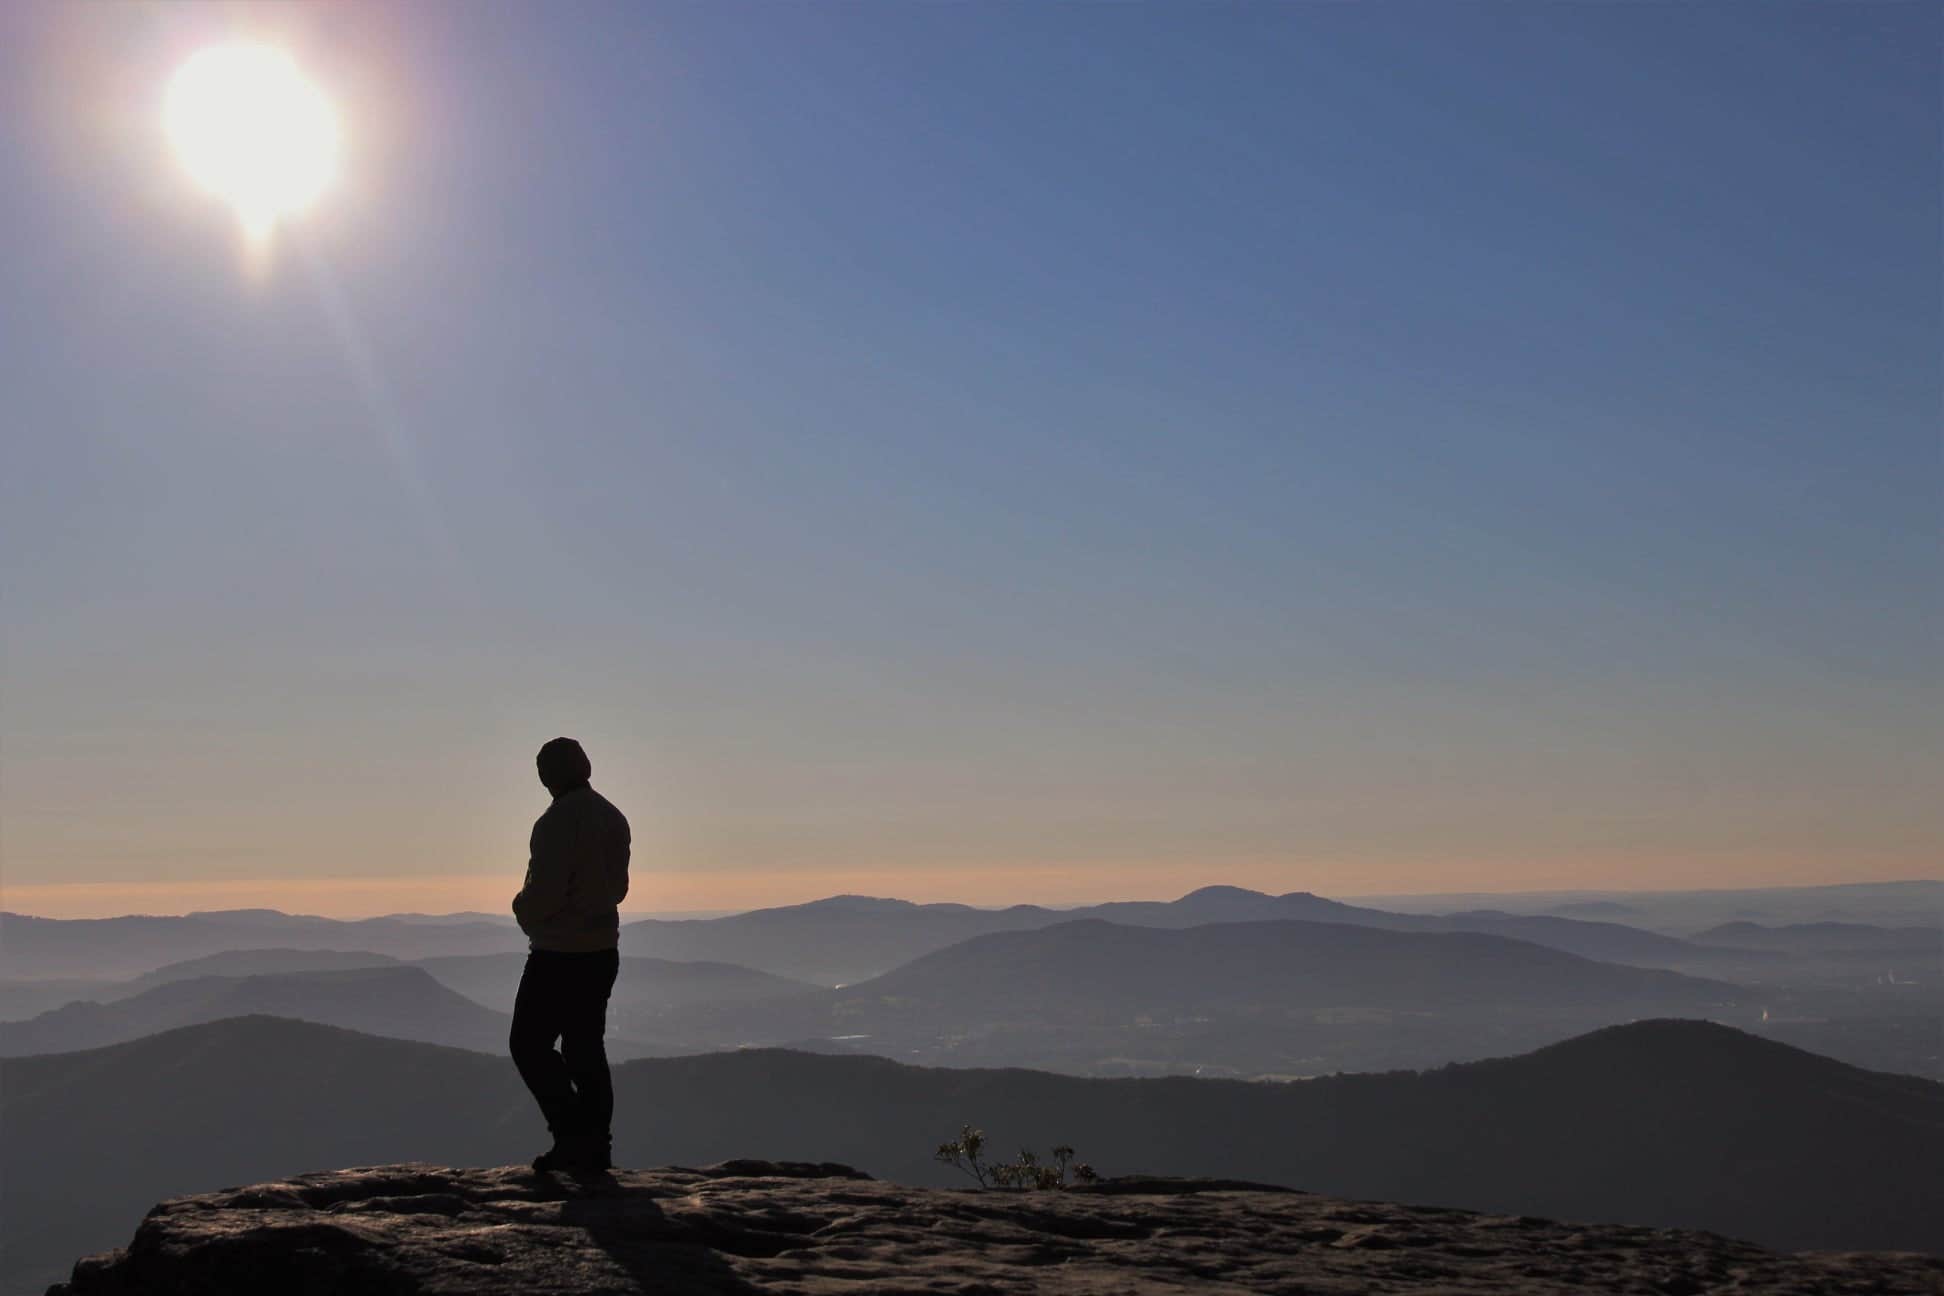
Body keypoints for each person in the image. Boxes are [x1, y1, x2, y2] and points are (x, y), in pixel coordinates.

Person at [509, 736, 631, 1173]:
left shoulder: (557, 822)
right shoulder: (613, 817)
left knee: (528, 1045)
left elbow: (543, 893)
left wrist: (521, 910)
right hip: (601, 950)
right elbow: (618, 888)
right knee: (585, 1048)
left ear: (548, 775)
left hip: (558, 952)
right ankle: (595, 1143)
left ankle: (573, 1136)